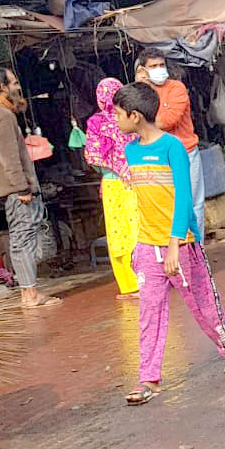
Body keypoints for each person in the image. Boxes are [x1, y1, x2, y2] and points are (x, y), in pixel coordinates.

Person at [111, 82, 225, 405]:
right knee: (149, 312)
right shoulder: (131, 151)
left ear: (135, 116)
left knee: (202, 306)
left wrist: (173, 245)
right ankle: (148, 378)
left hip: (180, 245)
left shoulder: (172, 148)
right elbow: (142, 202)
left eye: (118, 114)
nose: (115, 119)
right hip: (147, 246)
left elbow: (183, 198)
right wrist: (138, 245)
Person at [0, 66, 59, 309]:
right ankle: (30, 294)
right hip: (16, 192)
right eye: (13, 83)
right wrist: (22, 188)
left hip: (10, 191)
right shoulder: (2, 116)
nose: (17, 86)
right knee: (23, 241)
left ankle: (28, 292)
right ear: (2, 87)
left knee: (19, 241)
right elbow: (9, 158)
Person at [133, 49, 206, 241]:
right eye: (153, 66)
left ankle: (196, 249)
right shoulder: (140, 91)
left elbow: (167, 120)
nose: (159, 69)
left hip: (186, 152)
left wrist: (145, 120)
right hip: (158, 158)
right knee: (166, 204)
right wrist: (142, 86)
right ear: (143, 69)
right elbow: (133, 117)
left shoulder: (176, 88)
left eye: (161, 65)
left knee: (192, 204)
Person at [84, 78, 140, 299]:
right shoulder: (130, 117)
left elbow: (93, 156)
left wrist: (112, 169)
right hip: (135, 181)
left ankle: (128, 285)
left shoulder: (95, 123)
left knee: (118, 233)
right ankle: (146, 277)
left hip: (111, 185)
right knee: (137, 229)